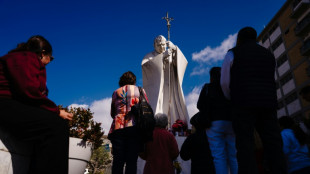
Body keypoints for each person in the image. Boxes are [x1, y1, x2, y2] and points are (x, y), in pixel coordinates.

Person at [0, 35, 73, 174]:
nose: (49, 62)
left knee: (46, 126)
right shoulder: (26, 57)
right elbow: (29, 90)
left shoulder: (17, 58)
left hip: (11, 103)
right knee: (57, 126)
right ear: (42, 53)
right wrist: (57, 112)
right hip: (4, 103)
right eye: (50, 59)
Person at [221, 26, 287, 174]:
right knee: (273, 142)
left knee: (245, 144)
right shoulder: (268, 54)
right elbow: (272, 78)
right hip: (268, 104)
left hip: (243, 103)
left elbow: (224, 82)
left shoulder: (232, 53)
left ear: (239, 39)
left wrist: (231, 98)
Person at [141, 35, 189, 127]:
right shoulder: (149, 56)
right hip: (157, 89)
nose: (162, 47)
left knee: (172, 108)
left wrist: (174, 49)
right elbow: (146, 66)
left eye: (163, 45)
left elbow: (182, 62)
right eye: (159, 45)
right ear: (154, 45)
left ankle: (176, 126)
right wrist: (162, 57)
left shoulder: (170, 52)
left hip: (171, 87)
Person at [197, 67, 237, 174]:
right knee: (233, 155)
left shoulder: (207, 88)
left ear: (211, 77)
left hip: (213, 123)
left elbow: (199, 104)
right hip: (230, 122)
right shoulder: (229, 87)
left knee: (218, 156)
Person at [108, 71, 148, 174]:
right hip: (134, 128)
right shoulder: (140, 90)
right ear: (134, 80)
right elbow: (146, 108)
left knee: (118, 161)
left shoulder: (115, 92)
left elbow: (112, 113)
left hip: (117, 128)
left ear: (121, 81)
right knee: (132, 161)